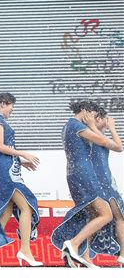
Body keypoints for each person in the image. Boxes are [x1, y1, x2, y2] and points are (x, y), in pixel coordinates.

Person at [52, 100, 120, 268]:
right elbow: (105, 142)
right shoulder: (77, 126)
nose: (92, 118)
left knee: (94, 215)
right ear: (84, 110)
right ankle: (73, 244)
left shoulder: (68, 125)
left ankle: (85, 256)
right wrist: (95, 126)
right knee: (107, 215)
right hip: (84, 174)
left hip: (74, 173)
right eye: (91, 114)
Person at [0, 93, 42, 267]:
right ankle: (25, 250)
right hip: (6, 171)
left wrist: (20, 162)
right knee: (27, 207)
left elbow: (4, 150)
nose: (11, 110)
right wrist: (23, 153)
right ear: (3, 104)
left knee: (6, 212)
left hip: (9, 168)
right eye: (11, 107)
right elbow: (0, 147)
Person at [87, 106, 124, 265]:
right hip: (102, 181)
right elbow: (119, 147)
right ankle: (123, 254)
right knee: (119, 216)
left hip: (98, 179)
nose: (107, 121)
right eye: (105, 119)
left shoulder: (93, 134)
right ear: (98, 119)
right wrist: (112, 128)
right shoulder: (94, 135)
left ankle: (84, 254)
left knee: (95, 218)